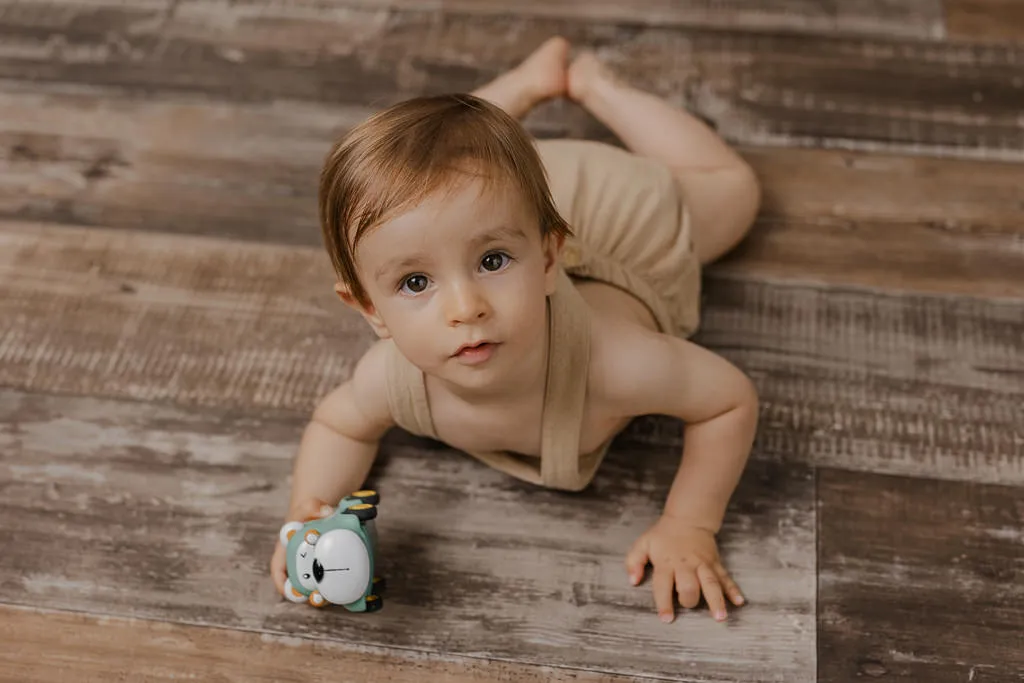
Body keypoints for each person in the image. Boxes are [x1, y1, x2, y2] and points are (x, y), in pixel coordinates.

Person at [270, 36, 761, 624]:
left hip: (617, 217)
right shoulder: (387, 379)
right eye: (415, 283)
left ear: (551, 260)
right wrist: (308, 507)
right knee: (432, 175)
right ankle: (525, 86)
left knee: (732, 191)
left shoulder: (615, 364)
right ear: (369, 309)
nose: (466, 308)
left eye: (493, 264)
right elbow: (339, 425)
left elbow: (727, 401)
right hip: (489, 209)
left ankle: (594, 83)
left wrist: (690, 522)